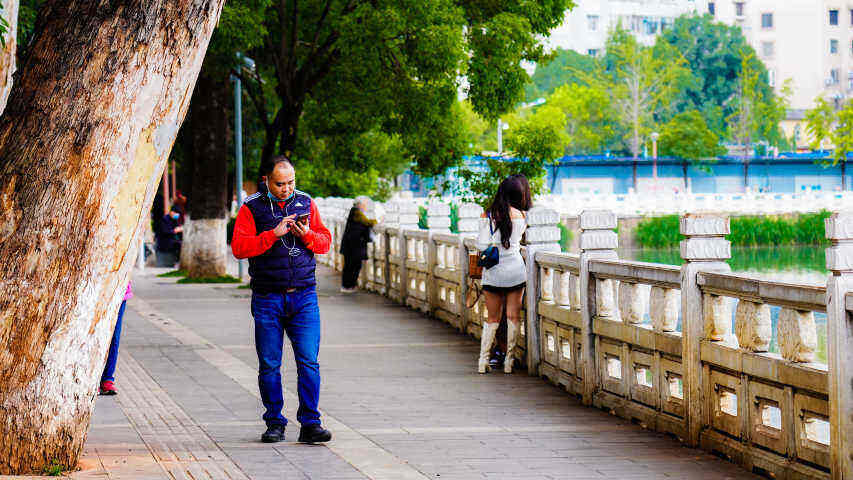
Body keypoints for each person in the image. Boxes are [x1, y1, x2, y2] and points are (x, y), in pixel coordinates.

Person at [231, 156, 333, 444]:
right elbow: (239, 248)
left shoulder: (306, 203)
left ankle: (311, 423)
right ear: (267, 181)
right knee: (269, 364)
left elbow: (325, 243)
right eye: (280, 184)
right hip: (267, 298)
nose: (287, 188)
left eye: (291, 182)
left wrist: (308, 235)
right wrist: (272, 235)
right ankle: (274, 422)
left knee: (309, 362)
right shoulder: (251, 207)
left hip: (304, 297)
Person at [475, 174, 531, 374]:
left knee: (492, 319)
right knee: (513, 317)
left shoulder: (488, 215)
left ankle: (483, 362)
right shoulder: (521, 216)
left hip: (493, 272)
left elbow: (481, 245)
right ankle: (509, 363)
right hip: (516, 271)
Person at [99, 282, 132, 395]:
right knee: (96, 335)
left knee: (114, 337)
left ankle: (107, 378)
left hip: (120, 293)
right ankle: (94, 379)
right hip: (99, 291)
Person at [339, 196, 377, 293]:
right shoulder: (357, 213)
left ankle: (348, 286)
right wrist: (377, 221)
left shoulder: (354, 212)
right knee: (352, 266)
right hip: (353, 246)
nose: (365, 207)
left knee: (350, 266)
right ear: (359, 204)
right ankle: (348, 286)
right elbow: (367, 222)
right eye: (364, 204)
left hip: (351, 246)